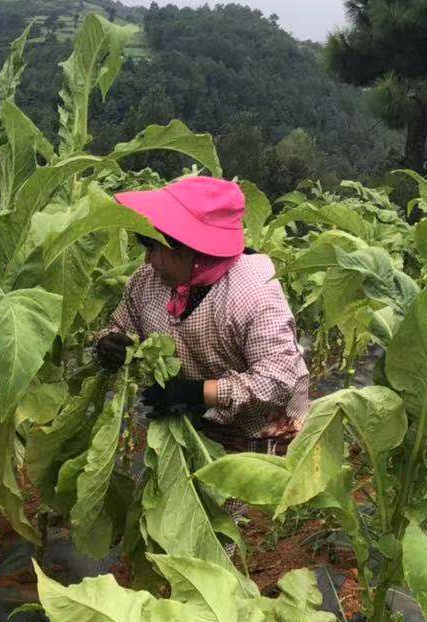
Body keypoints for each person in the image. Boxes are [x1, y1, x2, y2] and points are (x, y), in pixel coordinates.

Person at [96, 175, 309, 455]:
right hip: (192, 430)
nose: (147, 260)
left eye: (153, 248)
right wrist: (107, 343)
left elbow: (277, 380)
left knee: (245, 494)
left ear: (189, 248)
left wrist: (195, 394)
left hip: (260, 435)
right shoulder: (147, 282)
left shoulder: (253, 291)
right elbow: (120, 326)